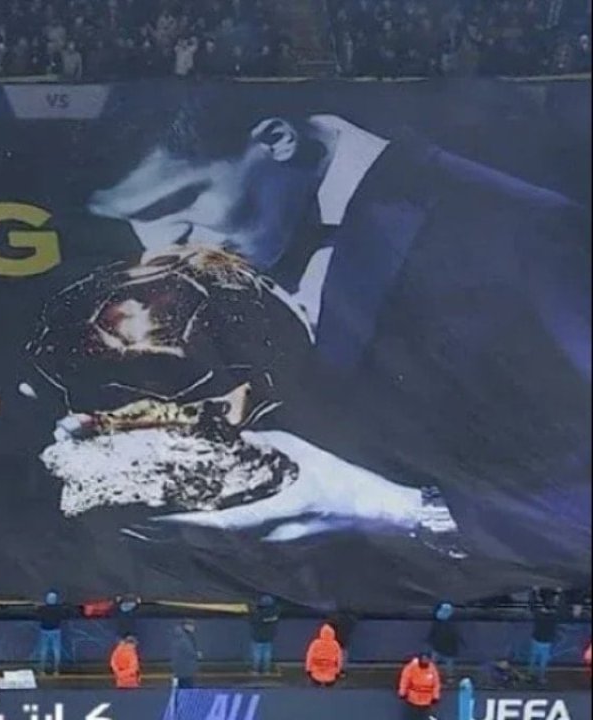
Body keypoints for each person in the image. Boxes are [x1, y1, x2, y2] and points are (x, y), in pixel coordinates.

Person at [83, 90, 591, 604]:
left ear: (277, 140)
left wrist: (405, 510)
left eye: (175, 203)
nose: (158, 248)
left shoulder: (524, 231)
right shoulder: (241, 245)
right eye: (134, 220)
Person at [528, 588, 560, 685]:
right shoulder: (554, 617)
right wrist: (558, 594)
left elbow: (532, 606)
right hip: (546, 642)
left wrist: (534, 592)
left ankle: (530, 675)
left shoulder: (538, 614)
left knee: (533, 659)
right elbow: (561, 608)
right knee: (543, 661)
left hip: (536, 640)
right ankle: (541, 677)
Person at [398, 652, 441, 720]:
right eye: (423, 659)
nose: (425, 661)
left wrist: (435, 696)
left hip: (427, 701)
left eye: (427, 659)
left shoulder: (432, 668)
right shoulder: (411, 667)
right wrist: (402, 692)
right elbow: (405, 680)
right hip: (413, 700)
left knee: (429, 717)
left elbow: (436, 683)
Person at [427, 603, 461, 682]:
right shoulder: (437, 622)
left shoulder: (453, 624)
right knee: (434, 662)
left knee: (449, 664)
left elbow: (455, 636)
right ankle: (431, 675)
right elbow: (433, 633)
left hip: (449, 648)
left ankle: (449, 677)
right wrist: (431, 641)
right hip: (437, 647)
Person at [36, 591, 65, 675]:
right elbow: (63, 616)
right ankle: (56, 670)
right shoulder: (59, 609)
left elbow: (38, 616)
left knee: (43, 650)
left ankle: (42, 670)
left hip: (44, 630)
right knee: (56, 650)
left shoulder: (42, 609)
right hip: (56, 631)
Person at [249, 595, 280, 675]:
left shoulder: (258, 614)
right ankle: (266, 670)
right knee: (267, 654)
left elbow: (252, 621)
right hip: (268, 637)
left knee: (257, 654)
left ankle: (256, 670)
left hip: (258, 637)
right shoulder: (274, 613)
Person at [169, 620, 200, 688]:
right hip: (185, 670)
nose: (194, 628)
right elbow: (189, 652)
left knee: (180, 687)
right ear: (186, 626)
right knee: (187, 688)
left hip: (180, 668)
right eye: (192, 626)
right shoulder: (184, 639)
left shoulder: (180, 637)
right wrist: (197, 655)